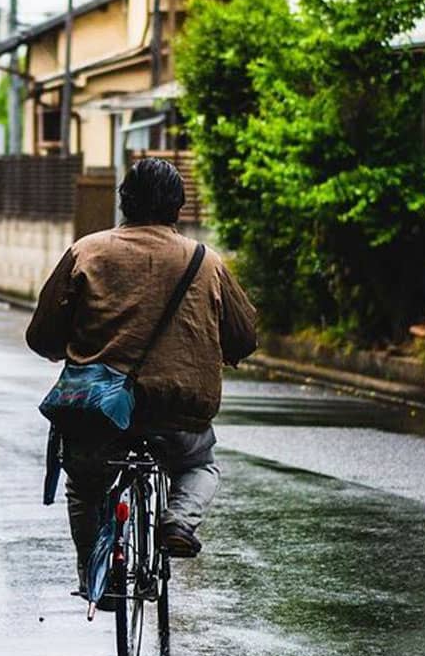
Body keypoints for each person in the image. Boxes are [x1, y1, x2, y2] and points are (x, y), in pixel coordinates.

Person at [25, 157, 257, 588]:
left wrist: (64, 349)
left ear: (124, 203)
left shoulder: (86, 252)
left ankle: (98, 578)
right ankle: (178, 523)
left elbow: (42, 335)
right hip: (179, 408)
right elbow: (243, 336)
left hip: (99, 410)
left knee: (86, 486)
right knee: (198, 466)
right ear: (178, 208)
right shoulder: (206, 262)